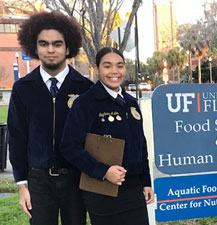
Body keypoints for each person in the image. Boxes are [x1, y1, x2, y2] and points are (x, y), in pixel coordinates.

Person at [7, 11, 93, 225]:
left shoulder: (85, 88)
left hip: (76, 178)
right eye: (44, 44)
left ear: (67, 47)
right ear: (34, 47)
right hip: (39, 180)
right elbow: (17, 138)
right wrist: (22, 185)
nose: (51, 49)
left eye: (57, 44)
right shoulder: (22, 88)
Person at [59, 47, 154, 225]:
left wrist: (146, 182)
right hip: (103, 191)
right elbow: (69, 147)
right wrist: (103, 171)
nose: (114, 72)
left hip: (133, 190)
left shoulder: (131, 103)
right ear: (97, 69)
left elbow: (140, 145)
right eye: (107, 66)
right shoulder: (85, 104)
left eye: (120, 66)